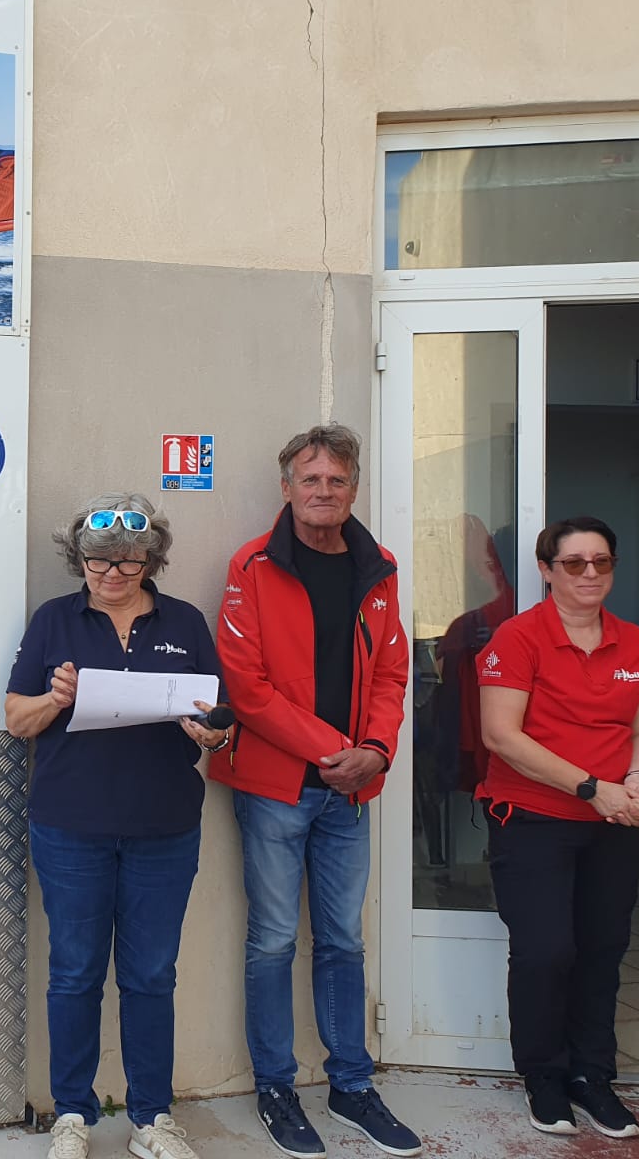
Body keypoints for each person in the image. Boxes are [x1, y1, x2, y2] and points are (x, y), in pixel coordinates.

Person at [214, 424, 422, 1158]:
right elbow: (246, 687)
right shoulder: (252, 566)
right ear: (287, 487)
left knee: (342, 941)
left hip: (350, 791)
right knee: (273, 940)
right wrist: (336, 750)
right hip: (277, 787)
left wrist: (376, 751)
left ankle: (351, 1085)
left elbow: (393, 673)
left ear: (353, 489)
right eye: (310, 479)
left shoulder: (378, 568)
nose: (323, 491)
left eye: (336, 480)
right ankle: (275, 1086)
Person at [7, 495, 227, 1159]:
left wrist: (212, 734)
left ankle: (152, 1118)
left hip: (165, 826)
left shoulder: (184, 621)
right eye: (98, 561)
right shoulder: (54, 620)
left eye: (129, 562)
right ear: (78, 558)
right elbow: (16, 719)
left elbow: (218, 719)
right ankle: (73, 1115)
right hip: (71, 826)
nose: (112, 574)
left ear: (150, 560)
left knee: (152, 975)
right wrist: (56, 698)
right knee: (74, 972)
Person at [477, 516, 639, 1140]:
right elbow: (501, 735)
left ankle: (592, 1076)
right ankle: (544, 1076)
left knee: (603, 948)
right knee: (546, 951)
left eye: (601, 562)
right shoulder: (518, 637)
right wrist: (592, 787)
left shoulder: (635, 643)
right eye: (574, 563)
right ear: (546, 570)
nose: (589, 574)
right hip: (534, 818)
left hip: (615, 820)